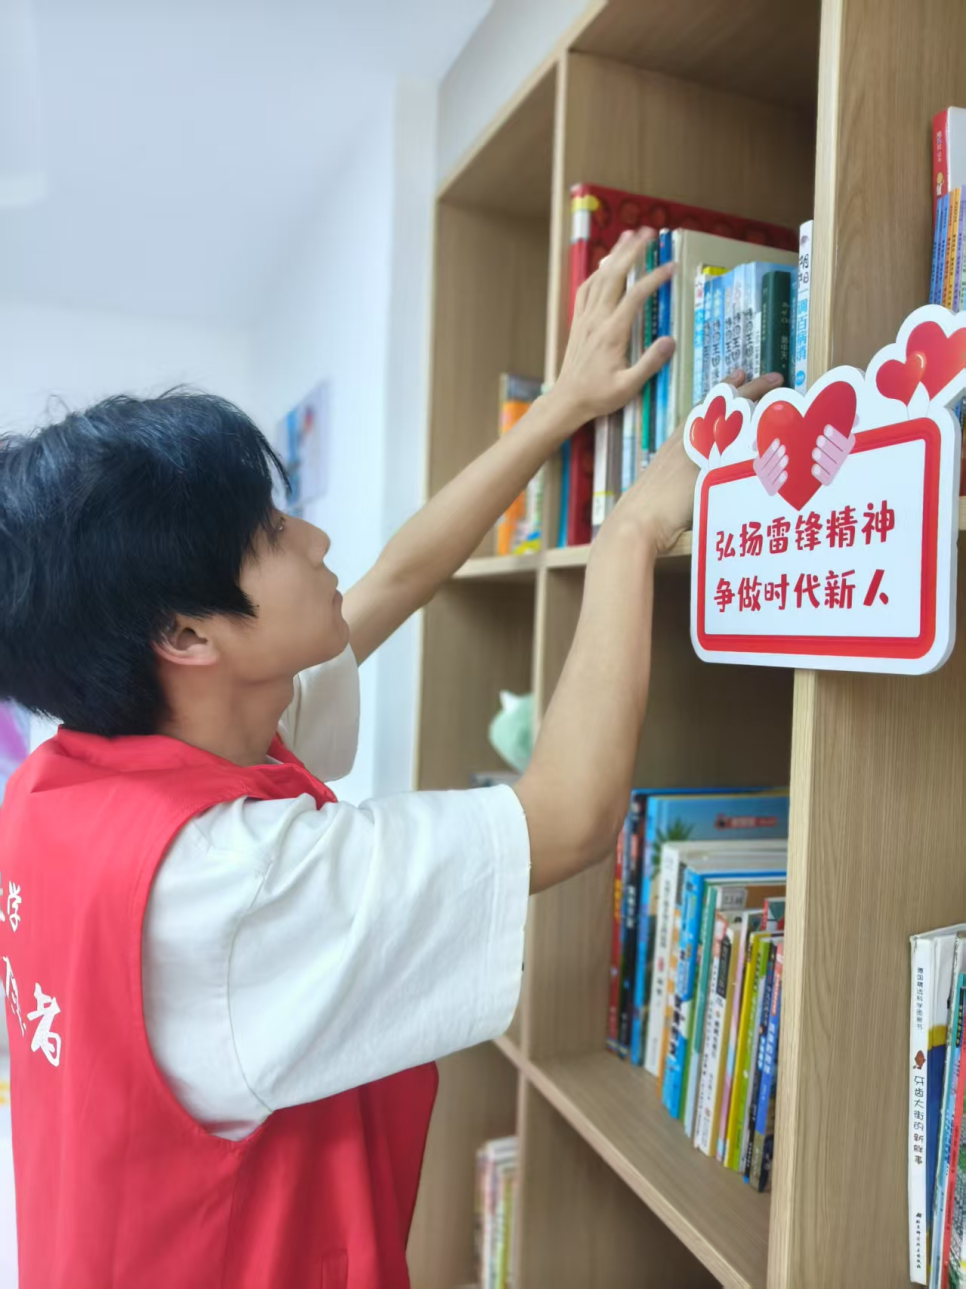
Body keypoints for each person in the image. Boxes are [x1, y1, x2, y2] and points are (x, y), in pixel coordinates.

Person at [0, 227, 780, 1289]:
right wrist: (632, 532)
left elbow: (395, 579)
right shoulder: (232, 886)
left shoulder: (75, 774)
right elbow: (570, 816)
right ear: (186, 633)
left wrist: (561, 407)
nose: (316, 541)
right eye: (272, 534)